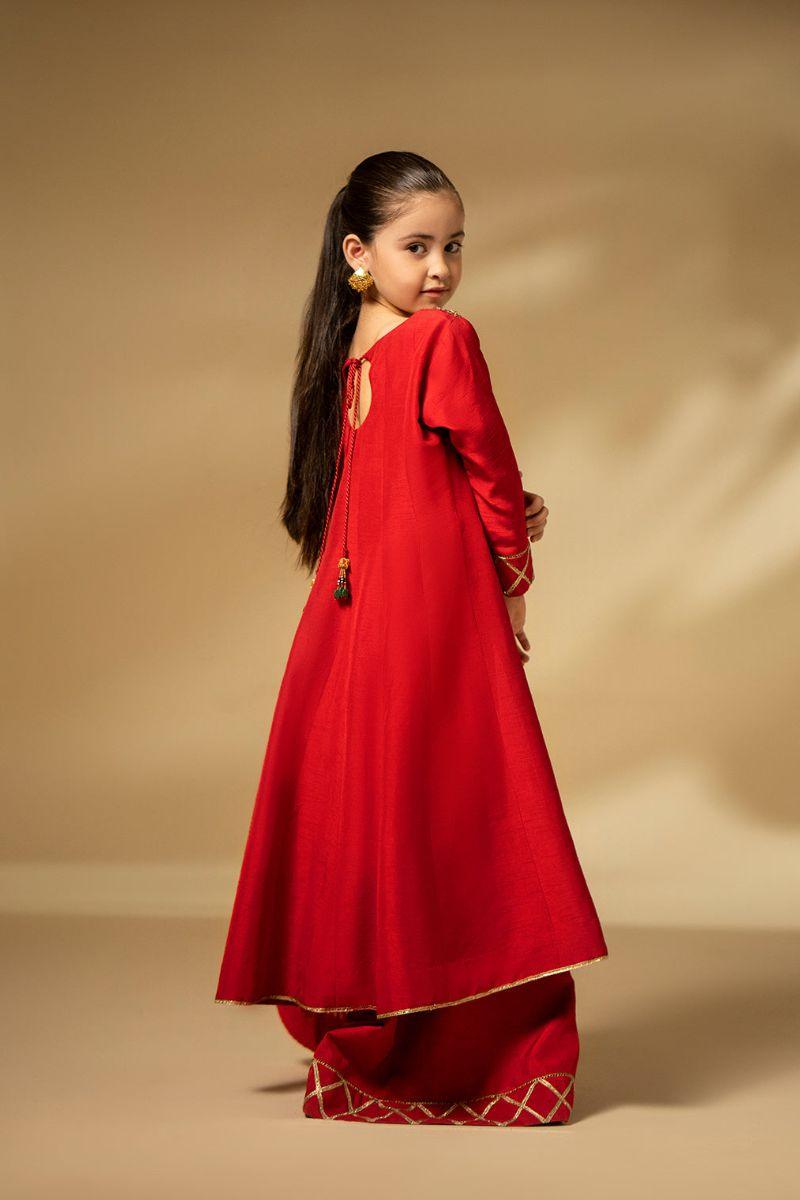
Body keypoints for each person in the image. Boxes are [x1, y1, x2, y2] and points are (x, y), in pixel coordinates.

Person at [215, 151, 609, 1126]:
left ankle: (374, 1023)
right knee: (465, 804)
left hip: (357, 613)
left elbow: (413, 479)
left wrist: (501, 510)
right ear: (358, 252)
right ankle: (486, 1054)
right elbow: (486, 465)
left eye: (454, 246)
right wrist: (511, 583)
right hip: (433, 609)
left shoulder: (352, 350)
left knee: (380, 804)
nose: (440, 269)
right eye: (417, 246)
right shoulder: (441, 338)